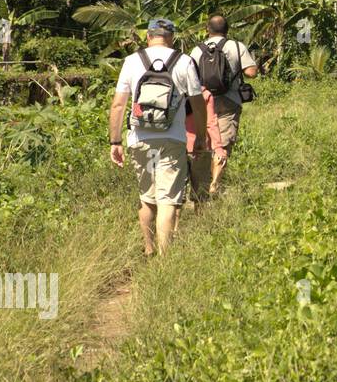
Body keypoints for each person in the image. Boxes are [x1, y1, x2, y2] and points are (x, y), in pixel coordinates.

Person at [107, 17, 207, 257]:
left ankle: (149, 248)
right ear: (171, 37)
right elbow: (198, 104)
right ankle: (165, 257)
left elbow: (118, 105)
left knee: (147, 198)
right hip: (172, 140)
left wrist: (115, 141)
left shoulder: (132, 61)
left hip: (140, 140)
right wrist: (201, 137)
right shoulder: (183, 61)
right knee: (167, 200)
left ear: (148, 36)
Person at [188, 14, 258, 197]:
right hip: (229, 101)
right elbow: (251, 72)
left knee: (206, 142)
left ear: (207, 30)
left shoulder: (196, 51)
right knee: (223, 143)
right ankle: (215, 183)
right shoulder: (236, 46)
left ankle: (201, 185)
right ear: (227, 30)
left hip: (202, 102)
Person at [186, 88, 228, 204]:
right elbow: (211, 123)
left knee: (177, 197)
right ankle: (200, 220)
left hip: (177, 147)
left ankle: (175, 222)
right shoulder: (205, 94)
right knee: (201, 195)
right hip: (201, 147)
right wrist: (218, 148)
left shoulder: (174, 91)